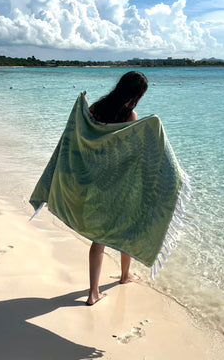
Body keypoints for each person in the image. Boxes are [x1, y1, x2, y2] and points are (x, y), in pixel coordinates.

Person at [86, 71, 148, 306]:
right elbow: (130, 152)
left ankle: (95, 291)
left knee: (98, 238)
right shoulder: (130, 115)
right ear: (136, 94)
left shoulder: (94, 108)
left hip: (96, 180)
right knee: (127, 231)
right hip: (119, 182)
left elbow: (84, 138)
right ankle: (123, 277)